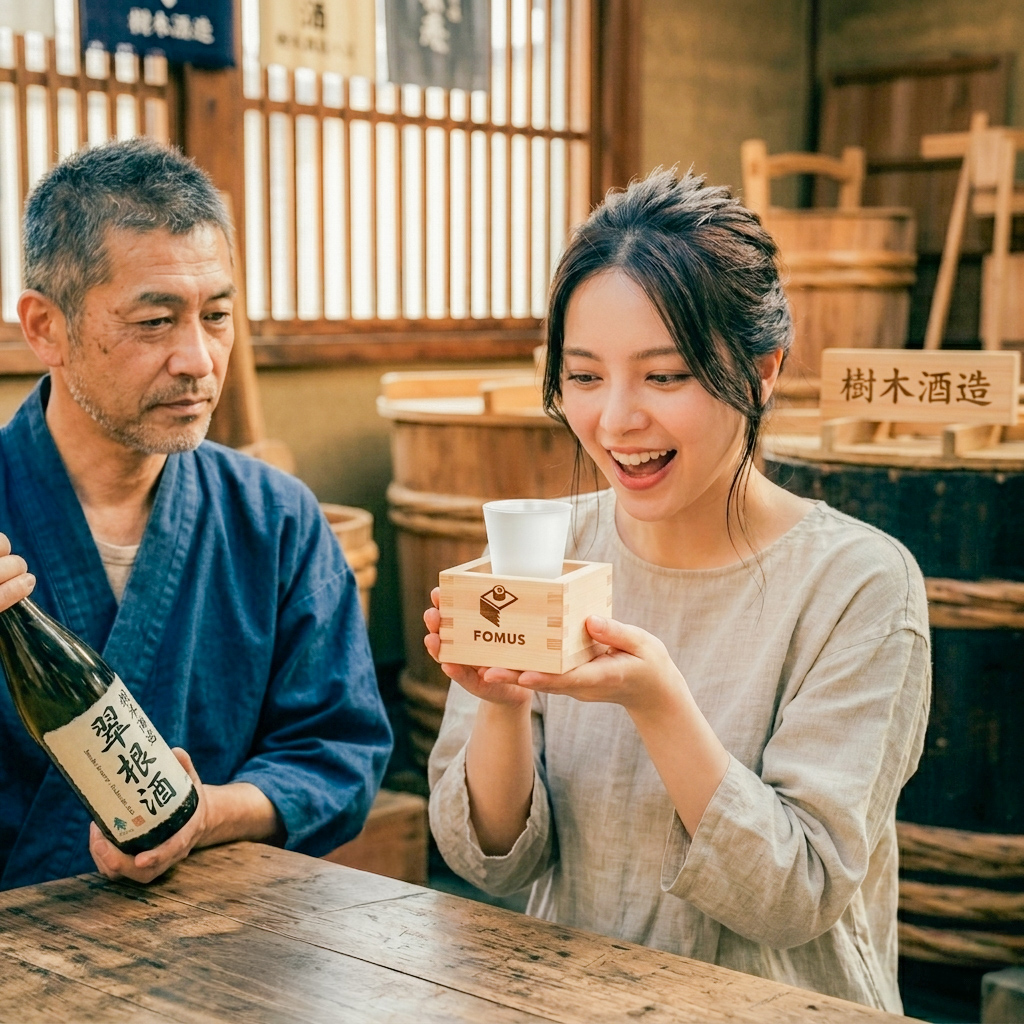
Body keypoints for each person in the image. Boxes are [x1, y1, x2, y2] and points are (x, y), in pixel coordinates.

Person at [425, 169, 930, 1012]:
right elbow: (489, 864)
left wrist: (659, 704)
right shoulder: (547, 550)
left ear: (763, 371)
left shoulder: (860, 586)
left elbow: (796, 894)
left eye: (665, 376)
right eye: (583, 377)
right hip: (572, 1002)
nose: (617, 420)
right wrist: (503, 703)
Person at [0, 138, 392, 890]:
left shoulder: (273, 517)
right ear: (46, 327)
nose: (199, 359)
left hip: (224, 949)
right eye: (155, 323)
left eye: (215, 315)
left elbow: (338, 751)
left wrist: (205, 814)